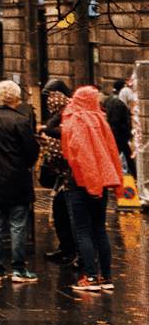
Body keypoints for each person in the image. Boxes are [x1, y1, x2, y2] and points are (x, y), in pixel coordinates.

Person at [0, 80, 40, 283]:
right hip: (17, 178)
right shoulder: (21, 121)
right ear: (16, 98)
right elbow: (32, 151)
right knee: (17, 224)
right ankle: (18, 269)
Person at [62, 84, 123, 292]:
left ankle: (89, 276)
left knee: (83, 230)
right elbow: (111, 151)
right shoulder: (101, 120)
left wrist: (87, 180)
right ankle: (106, 277)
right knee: (99, 228)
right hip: (101, 182)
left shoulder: (75, 120)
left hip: (80, 182)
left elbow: (76, 152)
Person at [39, 80, 77, 265]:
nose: (50, 103)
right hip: (62, 174)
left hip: (70, 174)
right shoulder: (64, 114)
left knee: (68, 213)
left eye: (53, 98)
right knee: (60, 212)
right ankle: (66, 248)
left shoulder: (69, 116)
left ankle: (72, 251)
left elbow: (53, 132)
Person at [103, 83, 134, 175]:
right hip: (119, 135)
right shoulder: (120, 104)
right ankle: (133, 175)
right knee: (127, 156)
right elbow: (118, 121)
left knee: (117, 155)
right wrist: (128, 134)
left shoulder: (108, 99)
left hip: (112, 133)